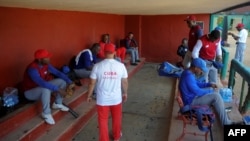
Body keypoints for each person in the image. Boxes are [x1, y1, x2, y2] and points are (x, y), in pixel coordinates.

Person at [87, 43, 128, 141]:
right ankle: (116, 136)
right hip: (116, 99)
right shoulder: (121, 66)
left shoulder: (97, 66)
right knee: (117, 118)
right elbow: (125, 82)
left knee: (102, 121)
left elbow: (92, 83)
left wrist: (89, 95)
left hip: (102, 99)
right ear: (114, 53)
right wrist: (125, 93)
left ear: (104, 53)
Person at [21, 49, 74, 125]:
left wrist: (69, 81)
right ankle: (46, 113)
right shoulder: (32, 69)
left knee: (61, 81)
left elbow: (57, 72)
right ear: (39, 59)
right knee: (45, 89)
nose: (49, 59)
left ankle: (57, 103)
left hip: (41, 87)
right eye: (46, 57)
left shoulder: (46, 65)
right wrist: (58, 89)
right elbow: (41, 83)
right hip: (30, 92)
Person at [179, 58, 232, 126]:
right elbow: (198, 91)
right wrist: (211, 91)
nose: (201, 71)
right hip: (191, 101)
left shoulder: (188, 72)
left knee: (212, 91)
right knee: (216, 96)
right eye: (201, 69)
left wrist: (209, 84)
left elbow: (197, 84)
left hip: (191, 97)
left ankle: (220, 109)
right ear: (195, 67)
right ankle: (226, 123)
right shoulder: (188, 77)